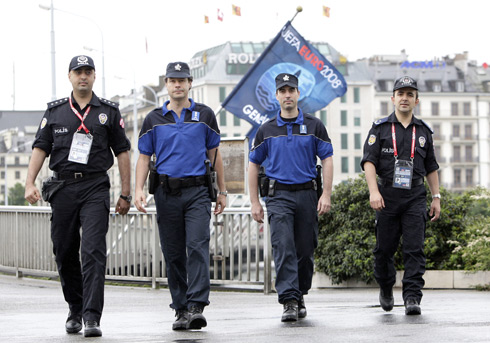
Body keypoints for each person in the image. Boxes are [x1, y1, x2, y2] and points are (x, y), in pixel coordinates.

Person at [24, 55, 131, 337]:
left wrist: (126, 193)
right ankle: (75, 308)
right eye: (78, 72)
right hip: (63, 188)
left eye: (88, 72)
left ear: (94, 76)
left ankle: (92, 317)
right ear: (69, 76)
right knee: (64, 250)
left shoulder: (109, 111)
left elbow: (122, 151)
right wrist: (29, 182)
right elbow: (40, 147)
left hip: (96, 187)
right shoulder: (55, 112)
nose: (83, 76)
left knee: (93, 250)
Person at [134, 61, 227, 331]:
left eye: (182, 80)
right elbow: (143, 157)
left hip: (198, 191)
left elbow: (215, 155)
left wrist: (222, 191)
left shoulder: (205, 114)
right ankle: (181, 308)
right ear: (166, 84)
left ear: (189, 83)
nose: (177, 84)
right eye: (172, 80)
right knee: (173, 252)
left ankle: (197, 305)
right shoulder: (153, 119)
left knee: (197, 246)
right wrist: (139, 189)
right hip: (166, 193)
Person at [248, 73, 334, 322]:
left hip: (307, 194)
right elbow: (253, 165)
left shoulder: (314, 125)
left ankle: (300, 293)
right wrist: (255, 202)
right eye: (282, 91)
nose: (287, 95)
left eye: (291, 90)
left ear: (298, 94)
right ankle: (288, 300)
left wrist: (326, 194)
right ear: (276, 96)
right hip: (278, 197)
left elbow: (327, 158)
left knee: (306, 250)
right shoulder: (266, 130)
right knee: (283, 247)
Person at [361, 76, 441, 315]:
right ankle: (386, 287)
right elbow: (368, 162)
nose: (405, 98)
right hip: (386, 196)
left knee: (415, 249)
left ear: (417, 100)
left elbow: (431, 167)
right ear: (393, 98)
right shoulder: (380, 128)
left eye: (410, 94)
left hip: (415, 195)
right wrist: (373, 191)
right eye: (401, 94)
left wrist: (436, 197)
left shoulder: (424, 131)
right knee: (384, 249)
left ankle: (412, 297)